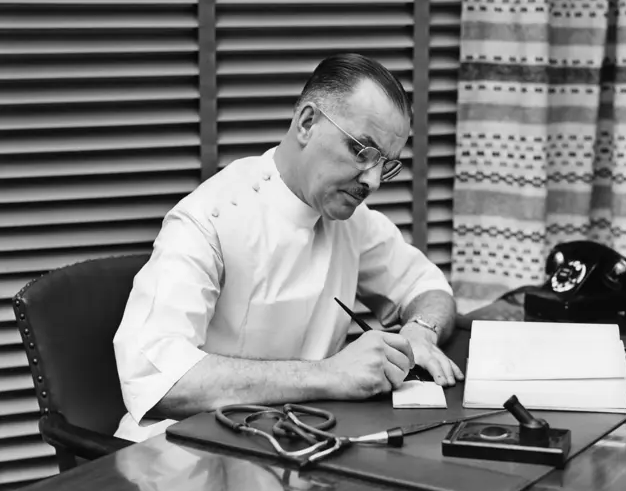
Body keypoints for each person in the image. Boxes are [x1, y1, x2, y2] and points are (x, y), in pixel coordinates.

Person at [113, 53, 463, 442]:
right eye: (362, 151)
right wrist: (330, 375)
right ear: (307, 123)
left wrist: (420, 333)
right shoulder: (208, 219)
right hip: (184, 459)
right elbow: (158, 378)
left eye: (387, 164)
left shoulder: (350, 220)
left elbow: (427, 287)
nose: (374, 180)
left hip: (296, 441)